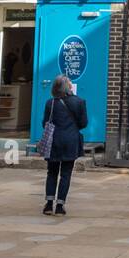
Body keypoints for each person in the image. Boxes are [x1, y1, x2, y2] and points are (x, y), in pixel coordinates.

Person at [42, 74, 87, 215]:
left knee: (52, 172)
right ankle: (60, 206)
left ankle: (49, 204)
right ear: (68, 87)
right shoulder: (80, 102)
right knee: (66, 174)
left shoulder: (51, 103)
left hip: (54, 141)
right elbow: (83, 123)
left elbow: (45, 123)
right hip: (70, 141)